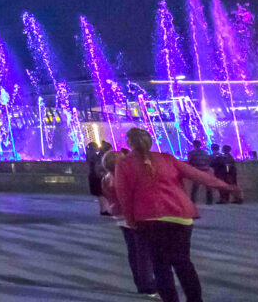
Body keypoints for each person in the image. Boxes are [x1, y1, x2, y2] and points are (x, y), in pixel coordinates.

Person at [114, 127, 236, 302]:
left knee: (160, 265)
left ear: (129, 143)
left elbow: (123, 194)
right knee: (183, 263)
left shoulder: (124, 164)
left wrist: (131, 220)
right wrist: (227, 187)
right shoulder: (167, 158)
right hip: (180, 215)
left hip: (149, 218)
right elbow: (199, 176)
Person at [101, 150, 156, 297]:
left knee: (134, 251)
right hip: (133, 217)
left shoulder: (107, 178)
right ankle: (147, 284)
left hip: (120, 218)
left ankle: (140, 282)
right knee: (144, 252)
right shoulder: (124, 179)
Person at [184, 140, 214, 205]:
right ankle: (209, 200)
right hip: (205, 170)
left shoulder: (191, 153)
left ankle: (192, 201)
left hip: (197, 171)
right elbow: (208, 161)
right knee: (208, 186)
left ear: (193, 145)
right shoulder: (205, 153)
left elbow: (189, 162)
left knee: (195, 187)